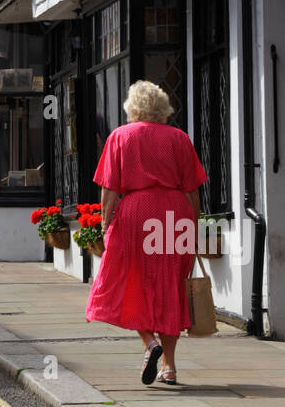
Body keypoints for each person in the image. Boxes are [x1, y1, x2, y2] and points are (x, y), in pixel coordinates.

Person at [85, 80, 207, 387]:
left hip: (135, 215)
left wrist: (105, 223)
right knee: (171, 289)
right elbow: (192, 189)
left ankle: (149, 343)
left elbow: (110, 189)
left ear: (132, 108)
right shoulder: (179, 138)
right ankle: (170, 367)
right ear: (163, 108)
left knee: (130, 284)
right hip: (173, 214)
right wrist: (193, 225)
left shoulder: (120, 137)